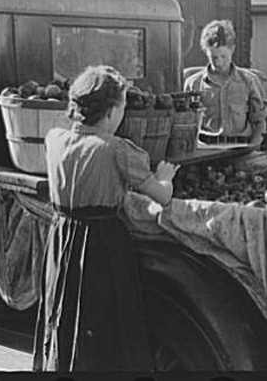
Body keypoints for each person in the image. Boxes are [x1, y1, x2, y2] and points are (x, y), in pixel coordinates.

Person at [33, 65, 180, 371]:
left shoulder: (55, 138)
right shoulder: (116, 150)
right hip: (100, 246)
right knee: (104, 327)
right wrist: (164, 177)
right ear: (113, 111)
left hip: (61, 239)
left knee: (65, 315)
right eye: (123, 106)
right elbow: (162, 197)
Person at [184, 19, 267, 146]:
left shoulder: (249, 81)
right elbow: (185, 124)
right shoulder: (193, 84)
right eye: (214, 57)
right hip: (205, 151)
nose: (218, 62)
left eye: (223, 56)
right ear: (206, 52)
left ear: (232, 49)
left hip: (241, 150)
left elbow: (259, 122)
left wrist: (253, 148)